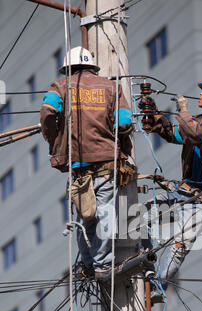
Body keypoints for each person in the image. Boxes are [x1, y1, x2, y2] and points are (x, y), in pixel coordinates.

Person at [143, 72, 202, 302]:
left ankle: (158, 287)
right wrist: (154, 115)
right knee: (143, 213)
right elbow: (174, 134)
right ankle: (145, 261)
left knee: (180, 244)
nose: (201, 93)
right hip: (184, 191)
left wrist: (183, 111)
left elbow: (196, 136)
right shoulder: (197, 120)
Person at [40, 46, 134, 280]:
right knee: (104, 214)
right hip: (106, 163)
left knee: (84, 216)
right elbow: (124, 123)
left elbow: (47, 112)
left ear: (67, 68)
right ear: (92, 66)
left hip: (79, 166)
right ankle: (103, 265)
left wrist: (55, 142)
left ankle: (89, 265)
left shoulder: (60, 86)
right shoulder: (112, 87)